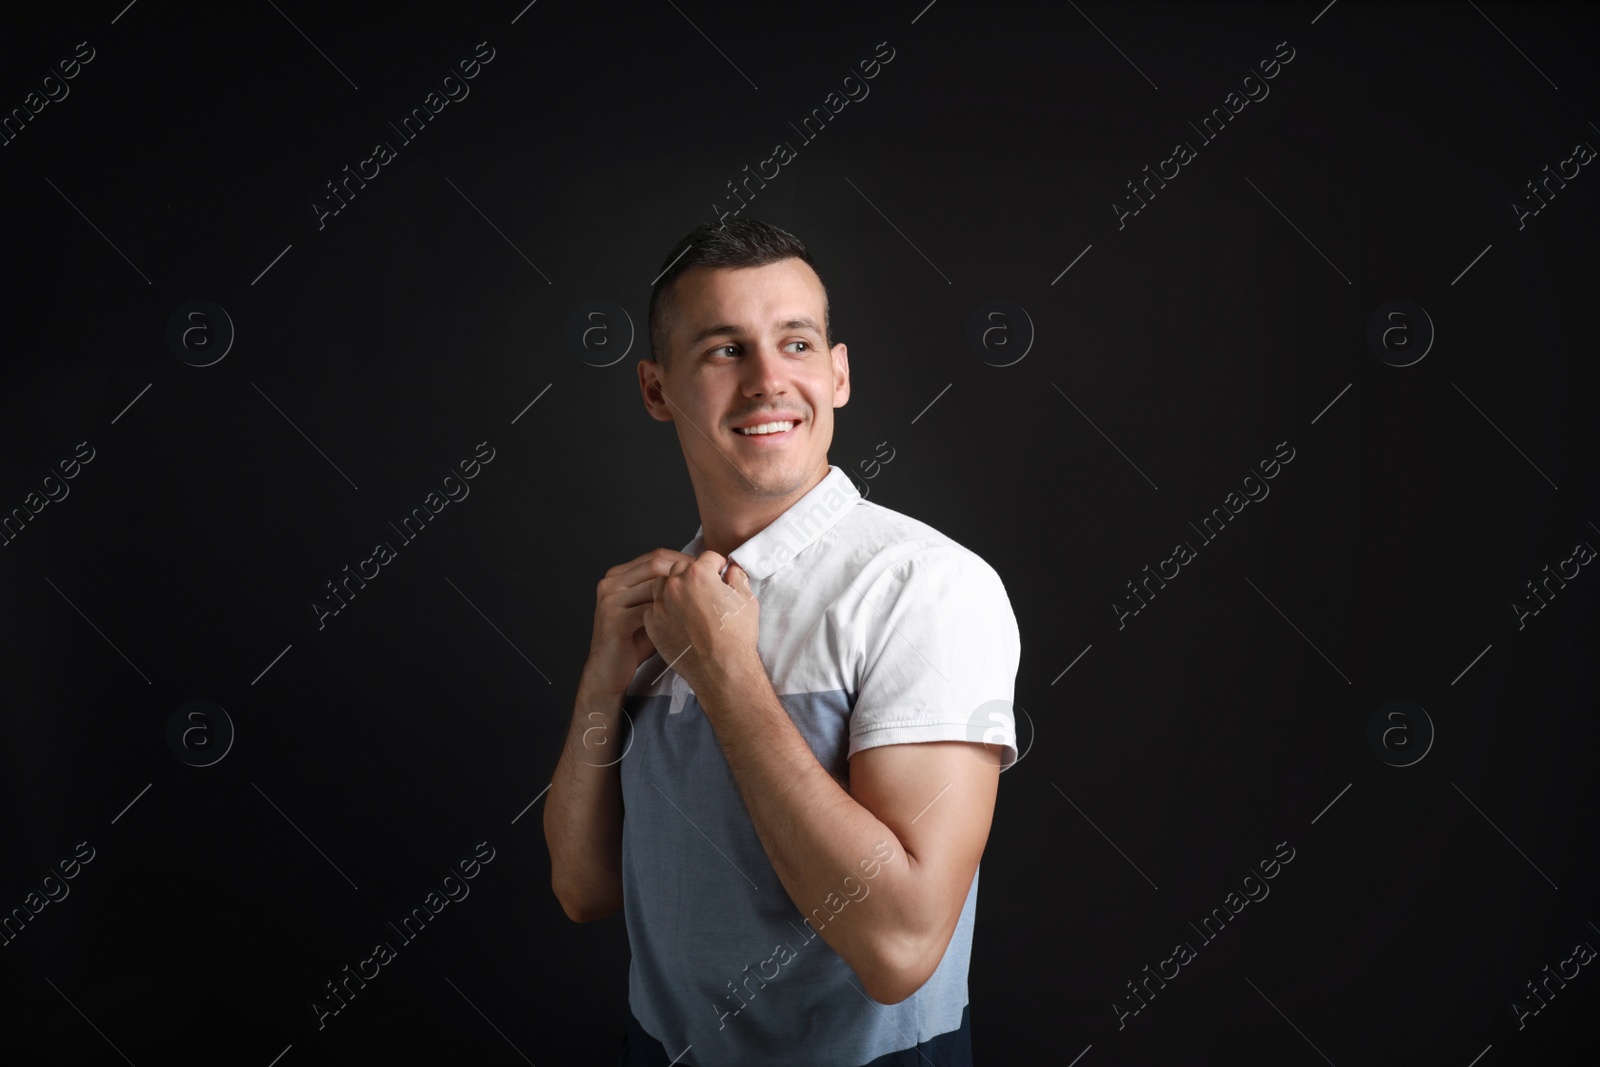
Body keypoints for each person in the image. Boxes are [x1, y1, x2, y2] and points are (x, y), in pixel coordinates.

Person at [543, 218, 1021, 1067]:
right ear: (657, 389)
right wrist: (600, 680)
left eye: (796, 343)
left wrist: (728, 673)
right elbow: (583, 887)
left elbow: (899, 950)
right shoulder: (664, 603)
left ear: (837, 374)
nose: (769, 381)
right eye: (725, 350)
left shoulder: (926, 586)